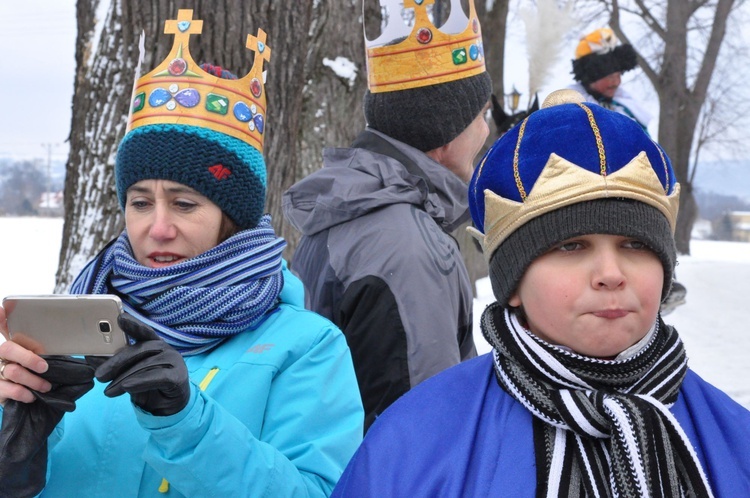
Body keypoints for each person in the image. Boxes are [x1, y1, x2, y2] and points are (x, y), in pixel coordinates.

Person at [0, 10, 363, 497]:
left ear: (230, 218)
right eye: (141, 203)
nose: (159, 227)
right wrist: (14, 450)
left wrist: (187, 423)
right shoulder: (72, 335)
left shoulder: (306, 347)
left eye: (185, 203)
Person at [330, 89, 750, 496]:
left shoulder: (735, 440)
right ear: (512, 284)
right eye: (571, 246)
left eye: (636, 245)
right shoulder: (414, 444)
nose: (610, 274)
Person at [283, 0, 490, 431]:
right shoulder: (407, 248)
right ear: (445, 131)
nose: (487, 131)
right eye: (481, 115)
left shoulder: (352, 209)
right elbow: (426, 430)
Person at [570, 27, 687, 314]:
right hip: (584, 188)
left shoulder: (628, 105)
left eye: (618, 73)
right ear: (589, 73)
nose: (615, 79)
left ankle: (658, 281)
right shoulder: (571, 104)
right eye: (607, 73)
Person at [569, 27, 652, 133]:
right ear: (591, 78)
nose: (616, 83)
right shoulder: (572, 104)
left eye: (618, 76)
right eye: (610, 78)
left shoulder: (625, 103)